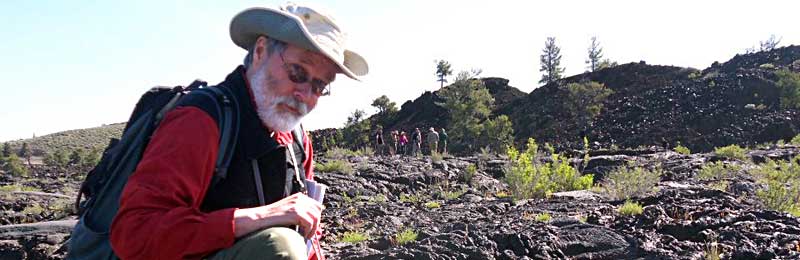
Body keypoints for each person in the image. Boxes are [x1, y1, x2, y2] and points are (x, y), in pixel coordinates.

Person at [109, 3, 369, 260]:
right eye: (297, 72)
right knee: (281, 246)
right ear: (260, 51)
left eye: (320, 85)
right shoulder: (201, 121)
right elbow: (134, 234)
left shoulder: (297, 140)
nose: (305, 95)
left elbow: (309, 238)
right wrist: (256, 218)